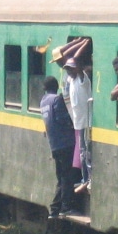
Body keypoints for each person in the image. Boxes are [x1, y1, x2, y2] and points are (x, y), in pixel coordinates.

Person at [41, 75, 77, 219]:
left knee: (61, 176)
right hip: (65, 143)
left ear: (44, 88)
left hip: (54, 144)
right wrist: (73, 124)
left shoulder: (43, 101)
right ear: (56, 87)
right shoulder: (56, 99)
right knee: (67, 177)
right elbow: (62, 119)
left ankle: (55, 209)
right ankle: (63, 207)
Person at [63, 57, 92, 193]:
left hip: (87, 122)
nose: (69, 71)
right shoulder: (72, 80)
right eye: (67, 68)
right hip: (79, 123)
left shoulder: (82, 79)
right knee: (82, 153)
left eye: (71, 68)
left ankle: (89, 180)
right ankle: (84, 179)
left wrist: (78, 67)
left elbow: (80, 72)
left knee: (86, 153)